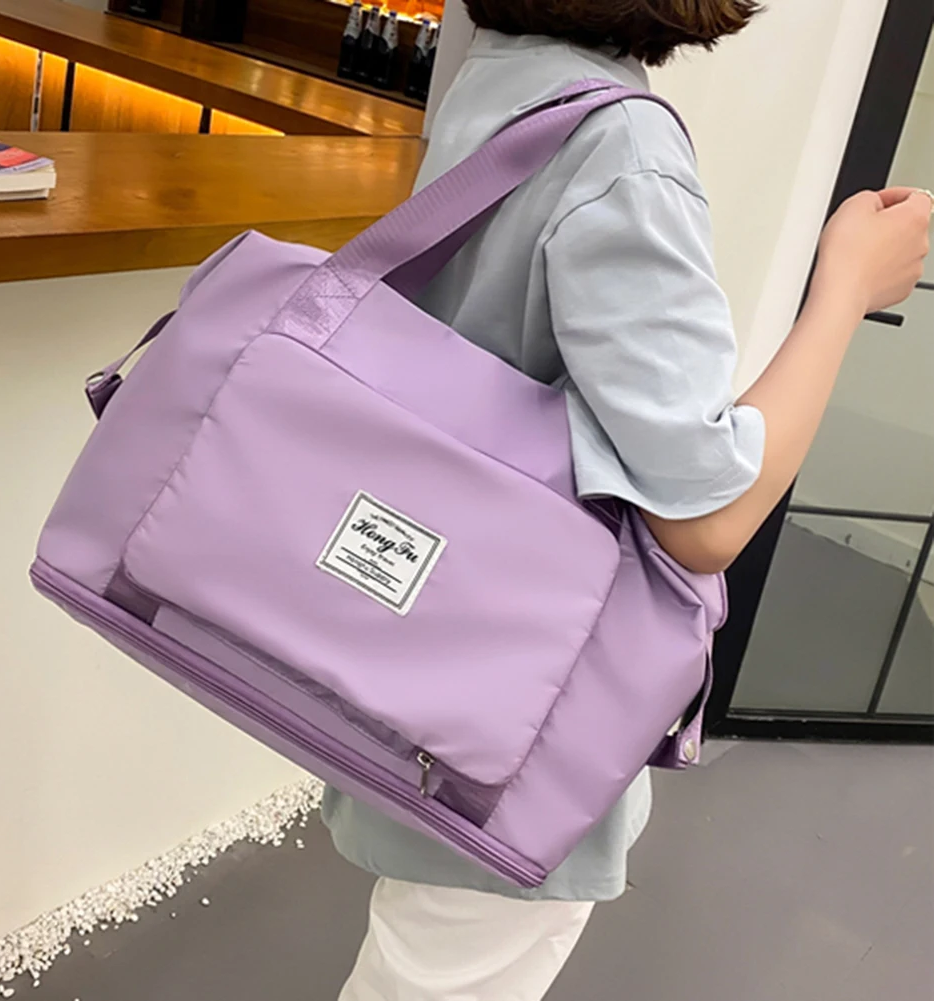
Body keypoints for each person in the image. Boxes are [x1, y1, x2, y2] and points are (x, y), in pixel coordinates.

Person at [324, 3, 932, 998]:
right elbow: (705, 519)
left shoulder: (502, 74)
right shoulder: (620, 148)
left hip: (424, 646)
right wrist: (843, 290)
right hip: (514, 703)